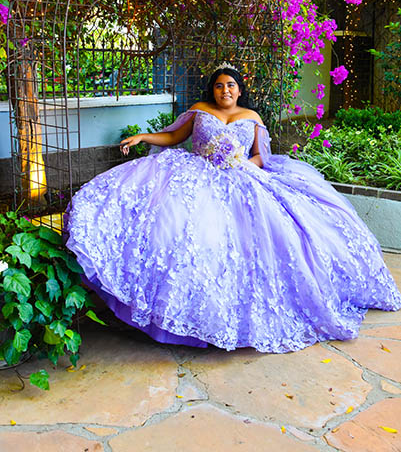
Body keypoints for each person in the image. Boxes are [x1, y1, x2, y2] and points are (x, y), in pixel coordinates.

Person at [64, 63, 401, 353]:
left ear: (239, 91)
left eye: (230, 85)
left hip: (240, 176)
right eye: (219, 85)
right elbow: (174, 138)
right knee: (172, 226)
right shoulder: (199, 110)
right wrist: (143, 137)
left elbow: (260, 155)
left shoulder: (251, 117)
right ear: (213, 90)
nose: (224, 90)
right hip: (196, 172)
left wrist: (242, 164)